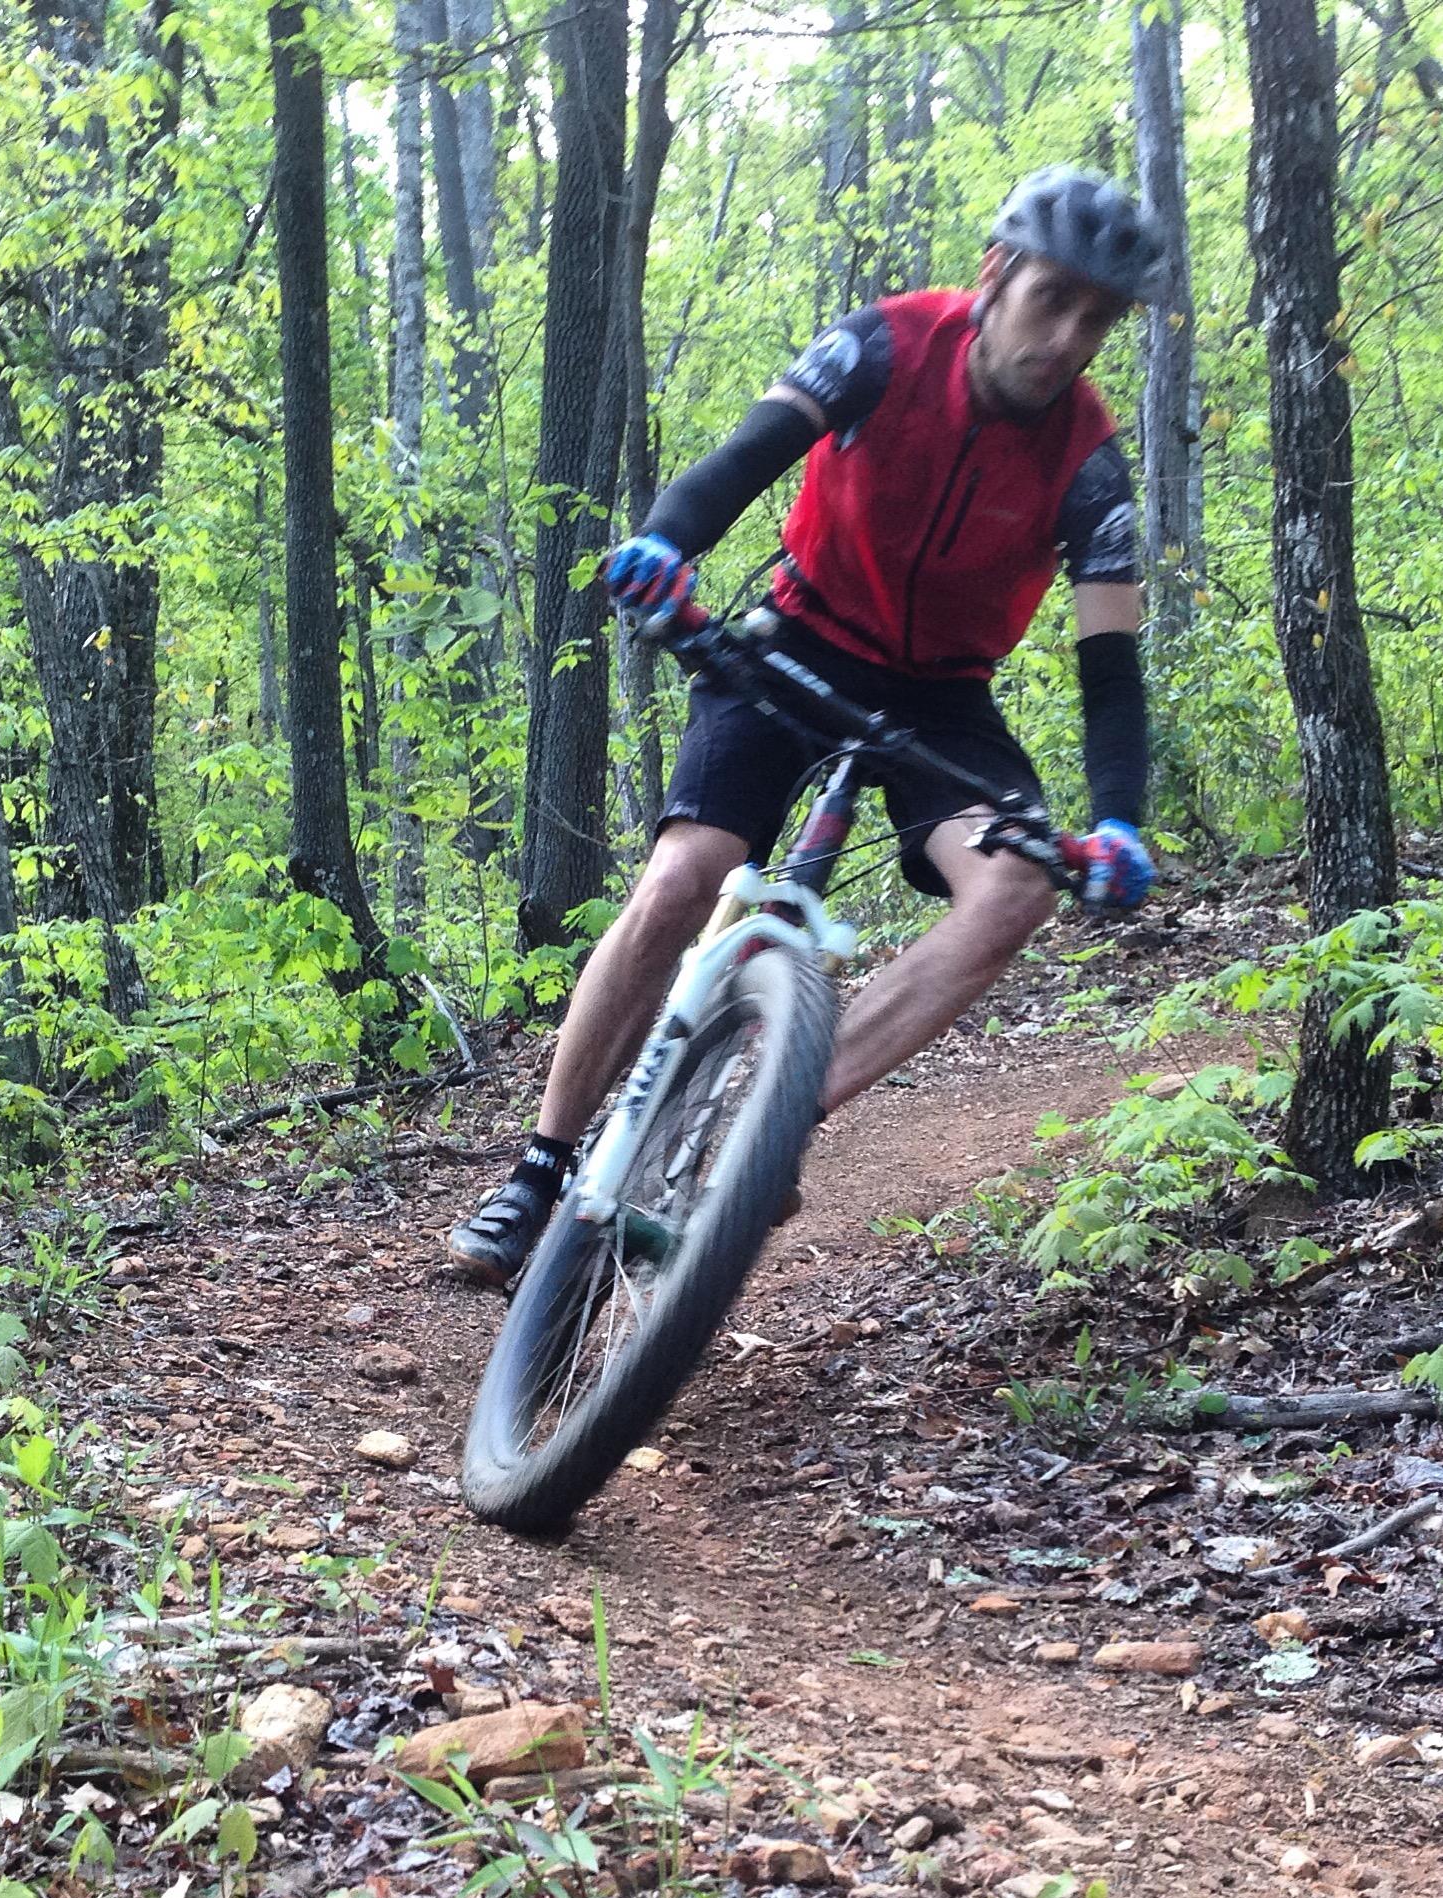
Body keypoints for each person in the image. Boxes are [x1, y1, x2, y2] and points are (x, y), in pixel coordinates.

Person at [449, 165, 1167, 1286]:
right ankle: (539, 1169)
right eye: (1052, 300)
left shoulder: (1088, 460)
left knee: (1016, 888)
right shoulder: (883, 346)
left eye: (1097, 319)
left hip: (943, 693)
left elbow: (1110, 664)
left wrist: (1118, 820)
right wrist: (666, 545)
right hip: (799, 636)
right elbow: (744, 458)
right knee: (688, 874)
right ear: (995, 275)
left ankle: (772, 1126)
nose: (1069, 337)